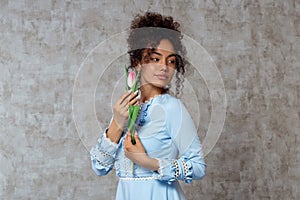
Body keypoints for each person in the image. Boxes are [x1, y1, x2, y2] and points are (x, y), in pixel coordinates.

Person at [90, 12, 206, 200]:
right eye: (155, 58)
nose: (164, 67)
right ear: (137, 63)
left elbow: (198, 167)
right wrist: (117, 123)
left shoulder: (172, 108)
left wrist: (148, 162)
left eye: (171, 61)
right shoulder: (126, 106)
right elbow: (99, 167)